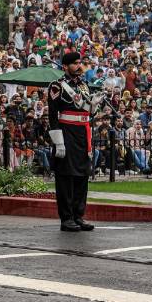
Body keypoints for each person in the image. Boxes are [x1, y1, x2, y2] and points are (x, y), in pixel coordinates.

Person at [47, 51, 96, 232]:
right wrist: (58, 141)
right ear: (65, 66)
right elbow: (53, 115)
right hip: (67, 132)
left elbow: (88, 112)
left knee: (82, 176)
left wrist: (95, 106)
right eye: (75, 63)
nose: (79, 66)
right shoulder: (57, 86)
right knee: (66, 176)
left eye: (80, 62)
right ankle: (66, 218)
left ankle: (78, 215)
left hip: (83, 133)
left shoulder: (84, 85)